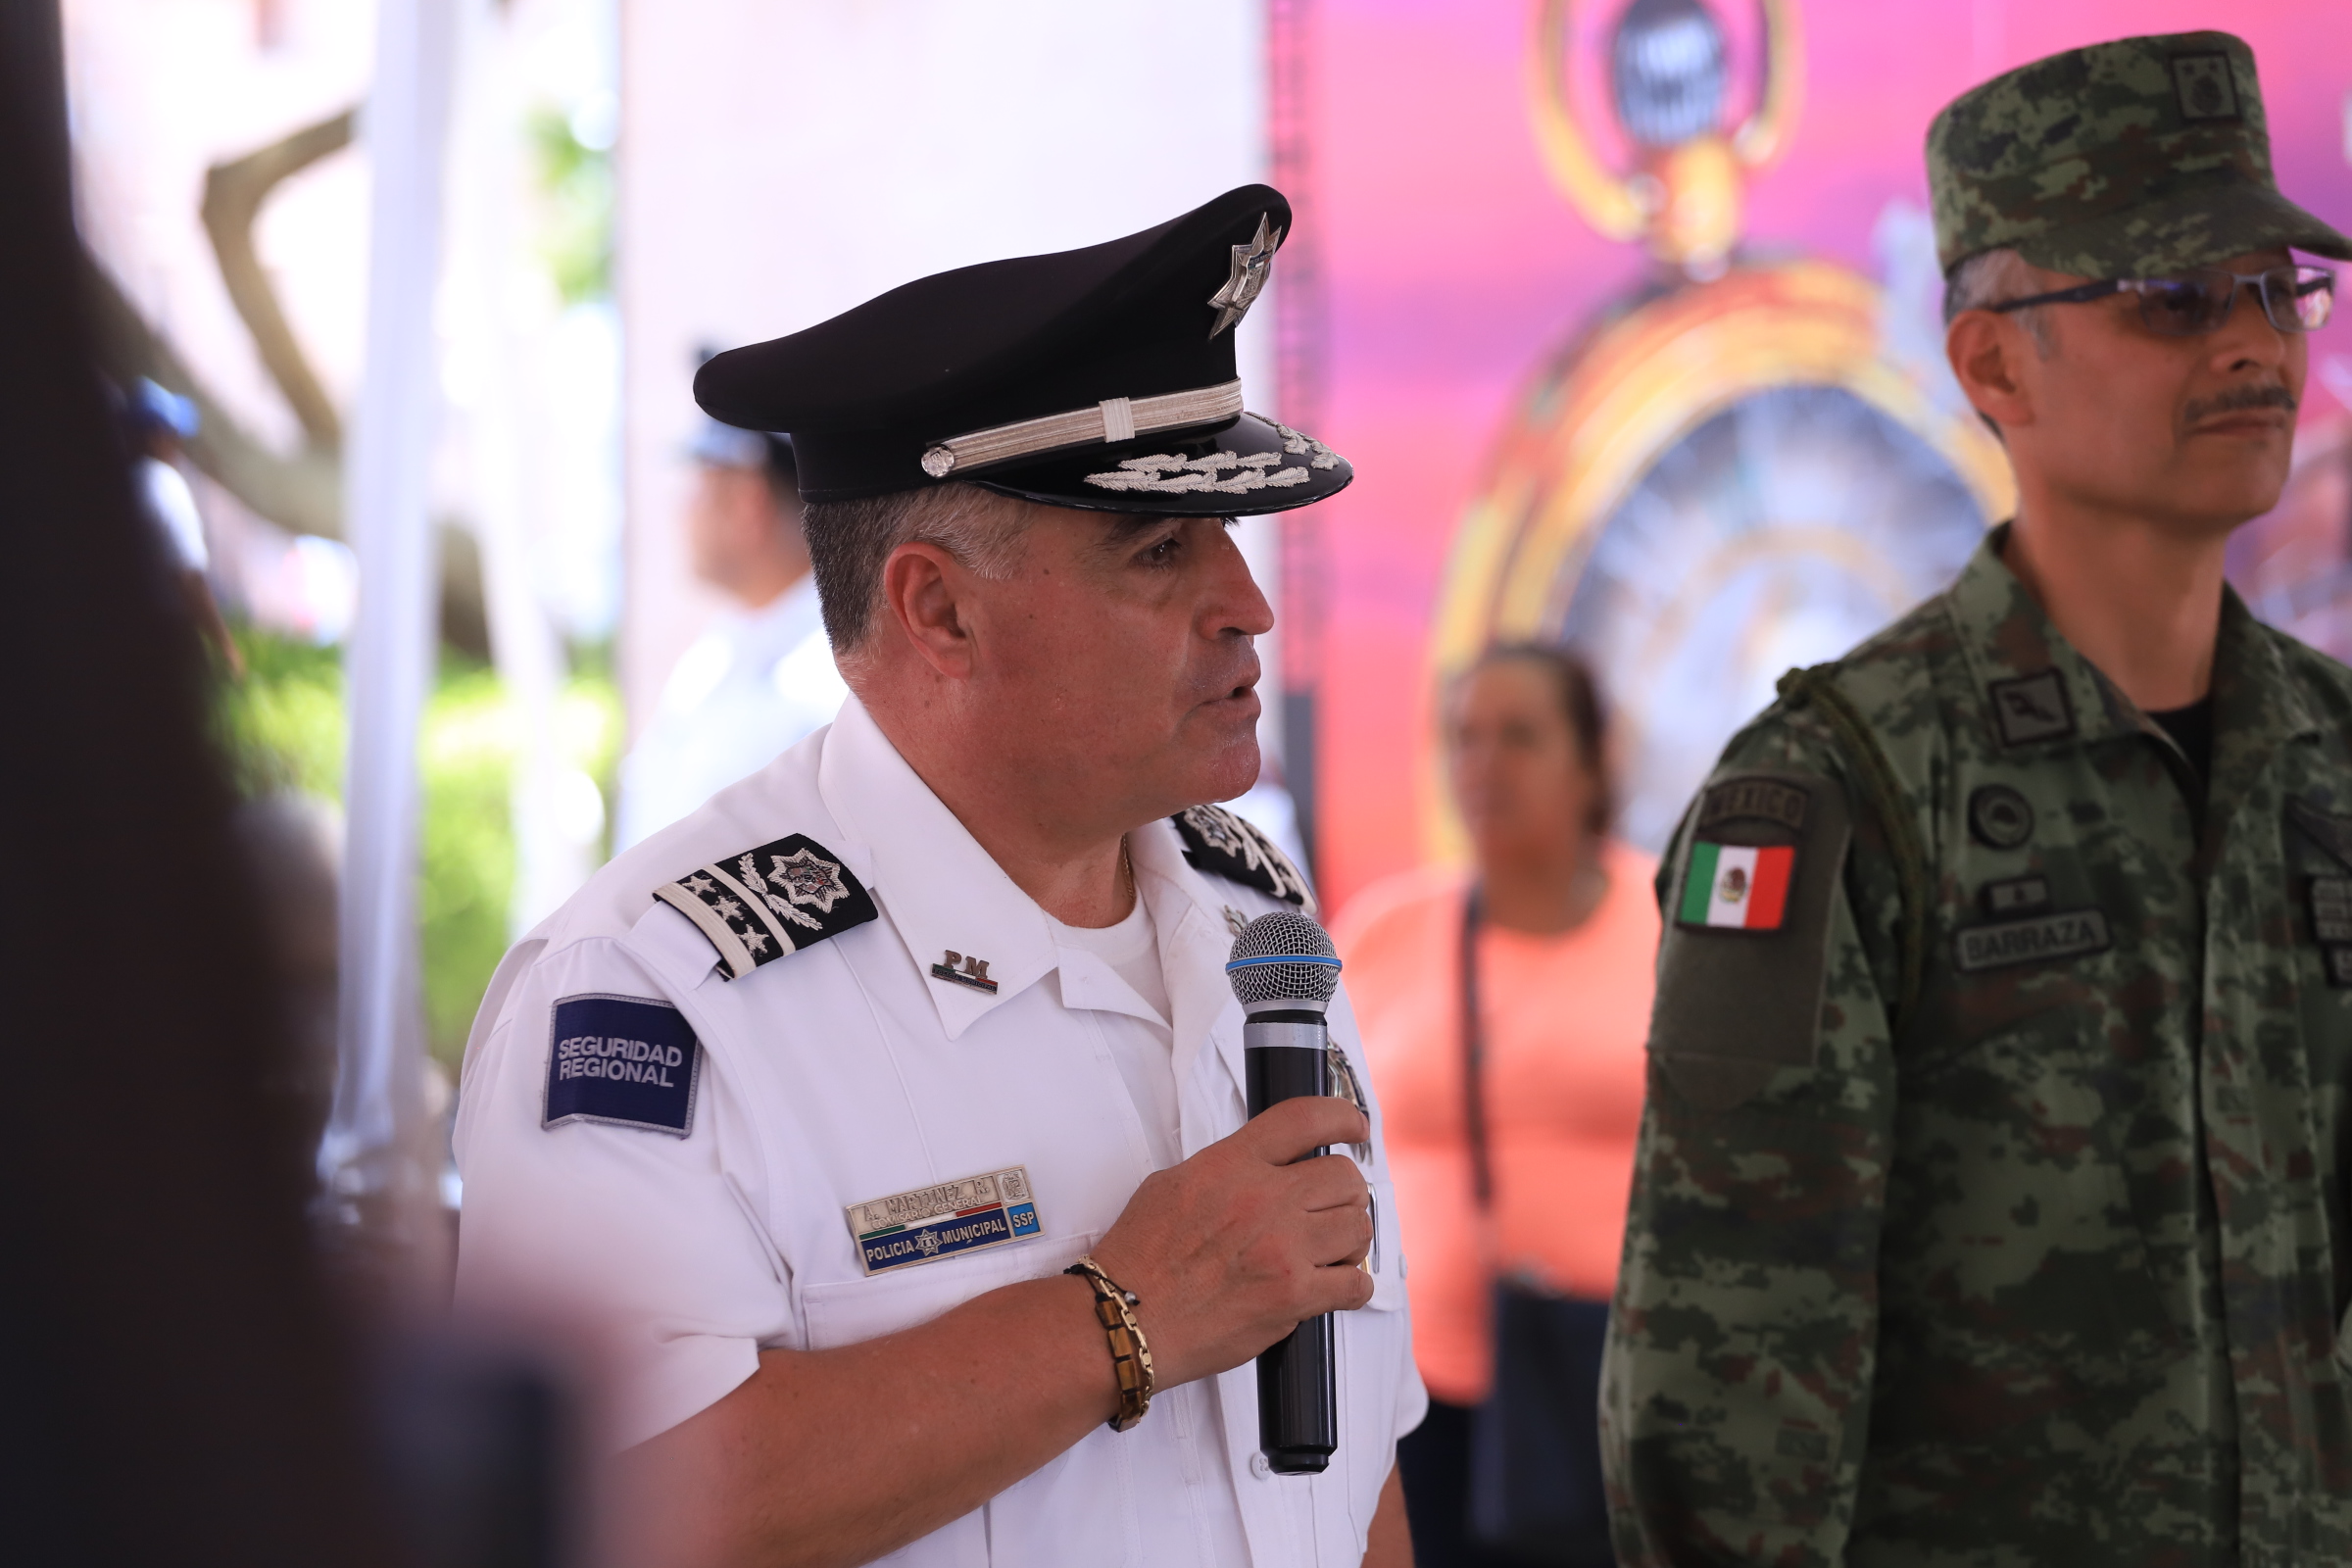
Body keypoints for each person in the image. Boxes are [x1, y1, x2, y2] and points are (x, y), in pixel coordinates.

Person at [453, 185, 1423, 1567]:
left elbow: (1357, 1465)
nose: (1246, 605)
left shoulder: (1256, 927)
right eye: (1160, 550)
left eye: (1230, 538)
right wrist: (1127, 1315)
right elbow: (622, 1513)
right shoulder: (653, 998)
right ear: (940, 610)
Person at [1600, 31, 2352, 1566]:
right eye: (2174, 296)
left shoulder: (2333, 760)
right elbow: (1727, 1417)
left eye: (2277, 289)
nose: (2254, 346)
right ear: (1995, 362)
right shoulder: (1834, 796)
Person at [1339, 646, 1654, 1568]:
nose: (1483, 765)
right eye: (1464, 738)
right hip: (1416, 1391)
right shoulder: (1387, 931)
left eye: (1519, 736)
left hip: (1623, 1383)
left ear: (1592, 762)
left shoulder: (1670, 922)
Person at [614, 416, 846, 850]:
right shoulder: (723, 648)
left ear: (747, 504)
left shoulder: (827, 674)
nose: (683, 511)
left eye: (700, 487)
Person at [125, 377, 243, 677]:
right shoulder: (165, 484)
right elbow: (189, 577)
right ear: (156, 437)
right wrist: (226, 647)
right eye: (174, 434)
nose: (179, 444)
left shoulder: (118, 482)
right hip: (159, 644)